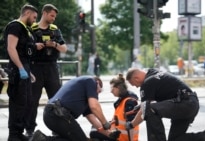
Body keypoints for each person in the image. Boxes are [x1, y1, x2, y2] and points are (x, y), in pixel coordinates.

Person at [125, 68, 205, 141]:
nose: (136, 87)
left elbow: (144, 110)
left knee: (149, 110)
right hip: (190, 103)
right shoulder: (155, 72)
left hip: (184, 104)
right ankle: (203, 137)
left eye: (134, 84)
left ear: (136, 78)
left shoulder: (147, 83)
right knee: (175, 139)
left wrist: (131, 124)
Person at [30, 76, 121, 141]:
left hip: (51, 114)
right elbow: (95, 106)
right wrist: (105, 123)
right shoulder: (91, 81)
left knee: (72, 138)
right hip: (58, 114)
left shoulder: (83, 97)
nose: (97, 95)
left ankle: (43, 138)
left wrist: (109, 134)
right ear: (97, 84)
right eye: (98, 91)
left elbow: (94, 121)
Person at [26, 4, 68, 137]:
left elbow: (64, 49)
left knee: (56, 101)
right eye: (52, 15)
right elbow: (24, 47)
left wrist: (54, 44)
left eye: (55, 16)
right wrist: (34, 46)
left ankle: (57, 130)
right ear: (44, 13)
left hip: (51, 68)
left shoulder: (55, 30)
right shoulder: (31, 28)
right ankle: (30, 129)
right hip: (35, 67)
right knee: (32, 100)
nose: (53, 19)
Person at [3, 4, 38, 141]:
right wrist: (21, 68)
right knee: (18, 103)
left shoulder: (25, 29)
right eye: (34, 17)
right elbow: (11, 48)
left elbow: (24, 53)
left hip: (24, 69)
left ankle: (19, 133)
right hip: (17, 71)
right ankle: (14, 135)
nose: (35, 20)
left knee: (26, 103)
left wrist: (28, 71)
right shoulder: (15, 26)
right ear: (27, 13)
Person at [90, 74, 139, 141]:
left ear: (118, 87)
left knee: (94, 133)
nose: (111, 91)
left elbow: (131, 125)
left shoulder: (129, 102)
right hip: (118, 135)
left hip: (124, 138)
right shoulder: (120, 101)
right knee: (94, 129)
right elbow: (117, 120)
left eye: (112, 88)